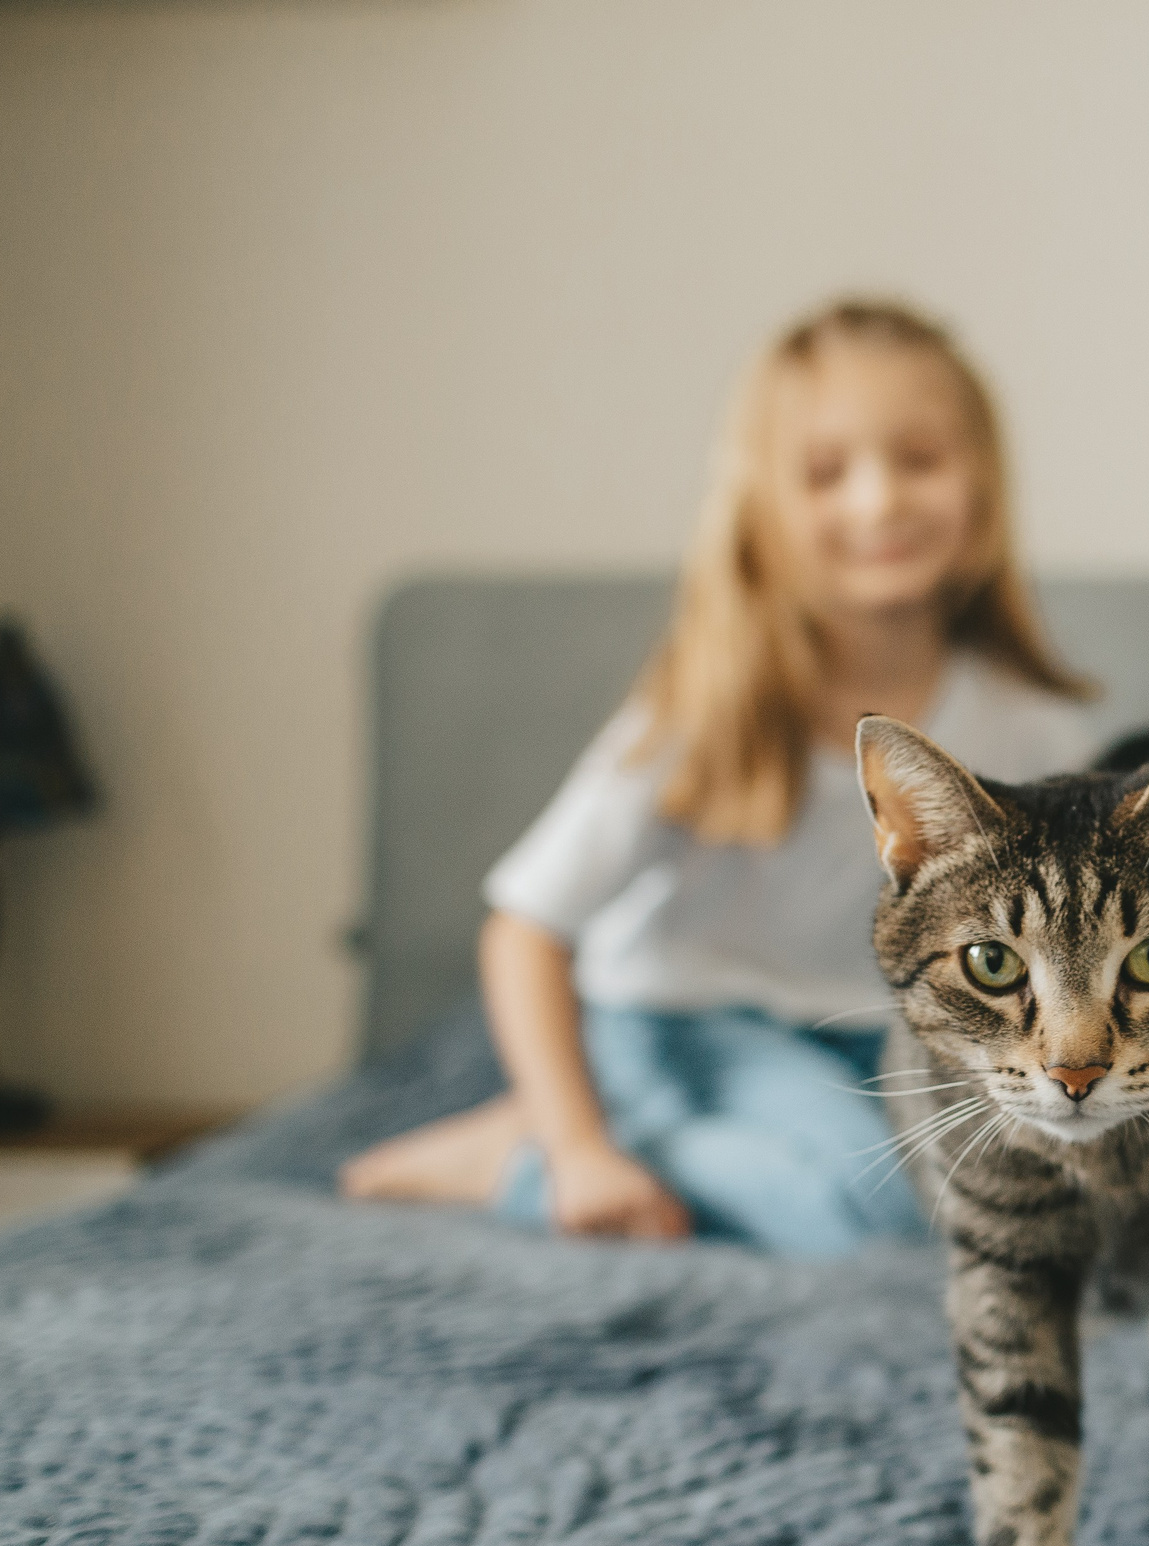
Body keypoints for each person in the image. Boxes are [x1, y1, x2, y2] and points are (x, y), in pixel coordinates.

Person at [340, 297, 1095, 1253]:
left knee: (1054, 1193)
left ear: (983, 477)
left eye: (920, 459)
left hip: (879, 1032)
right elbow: (525, 931)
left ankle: (598, 1133)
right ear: (761, 505)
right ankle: (522, 1157)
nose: (879, 502)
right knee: (885, 1215)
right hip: (680, 1022)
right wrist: (579, 1151)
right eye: (826, 473)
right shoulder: (705, 712)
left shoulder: (1032, 720)